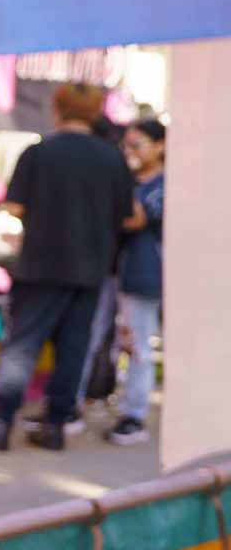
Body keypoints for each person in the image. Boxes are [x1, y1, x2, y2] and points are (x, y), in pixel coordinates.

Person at [0, 84, 137, 452]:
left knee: (22, 345)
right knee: (74, 347)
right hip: (90, 267)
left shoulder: (39, 152)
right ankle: (56, 424)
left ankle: (1, 423)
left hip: (41, 264)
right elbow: (128, 216)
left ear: (57, 107)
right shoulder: (112, 158)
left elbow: (15, 207)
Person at [108, 119, 166, 446]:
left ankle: (134, 414)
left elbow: (136, 218)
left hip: (149, 274)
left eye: (136, 144)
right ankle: (130, 409)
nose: (129, 151)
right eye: (126, 145)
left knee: (139, 347)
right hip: (127, 273)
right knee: (132, 345)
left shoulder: (165, 183)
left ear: (160, 145)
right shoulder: (135, 180)